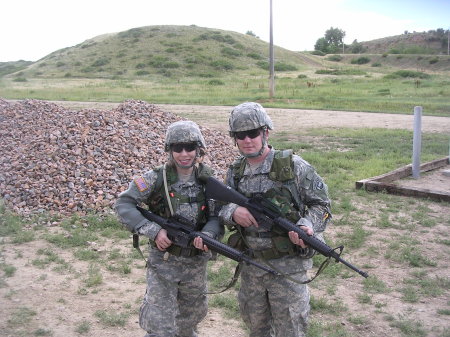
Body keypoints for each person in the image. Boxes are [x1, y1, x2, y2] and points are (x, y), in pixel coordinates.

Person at [218, 102, 332, 337]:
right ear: (234, 138)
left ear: (265, 133)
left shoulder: (293, 166)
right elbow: (216, 204)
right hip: (252, 265)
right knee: (256, 326)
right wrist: (232, 212)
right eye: (241, 135)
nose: (247, 140)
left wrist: (307, 224)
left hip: (288, 266)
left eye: (253, 133)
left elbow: (323, 206)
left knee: (290, 328)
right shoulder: (235, 171)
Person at [115, 120, 222, 337]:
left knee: (189, 321)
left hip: (195, 264)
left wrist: (208, 235)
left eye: (190, 147)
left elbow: (217, 216)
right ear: (169, 150)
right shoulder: (155, 178)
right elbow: (123, 203)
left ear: (198, 149)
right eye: (177, 148)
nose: (184, 154)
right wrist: (152, 230)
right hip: (163, 263)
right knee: (160, 325)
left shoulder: (208, 181)